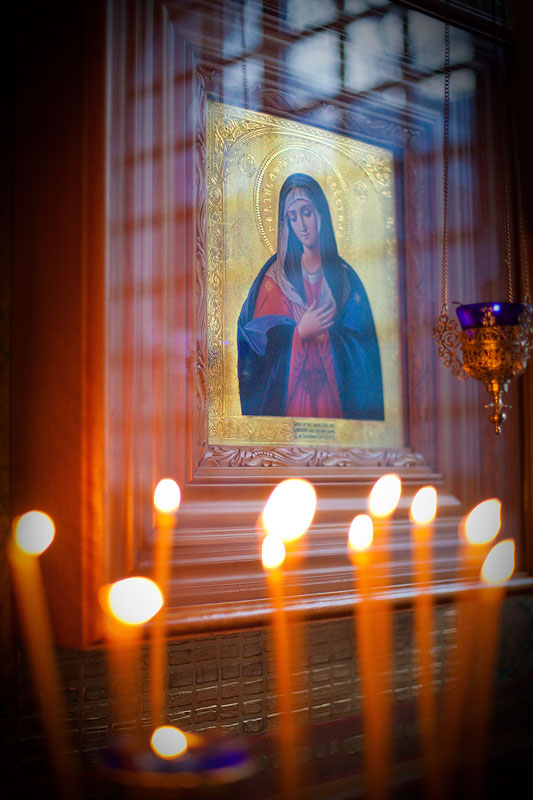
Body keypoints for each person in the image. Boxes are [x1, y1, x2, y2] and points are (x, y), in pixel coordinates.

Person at [237, 173, 384, 420]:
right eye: (293, 217)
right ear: (286, 224)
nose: (302, 225)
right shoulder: (274, 281)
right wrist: (299, 334)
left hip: (334, 405)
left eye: (306, 212)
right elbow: (256, 354)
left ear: (321, 214)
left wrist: (328, 336)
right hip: (291, 405)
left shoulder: (345, 280)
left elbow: (364, 357)